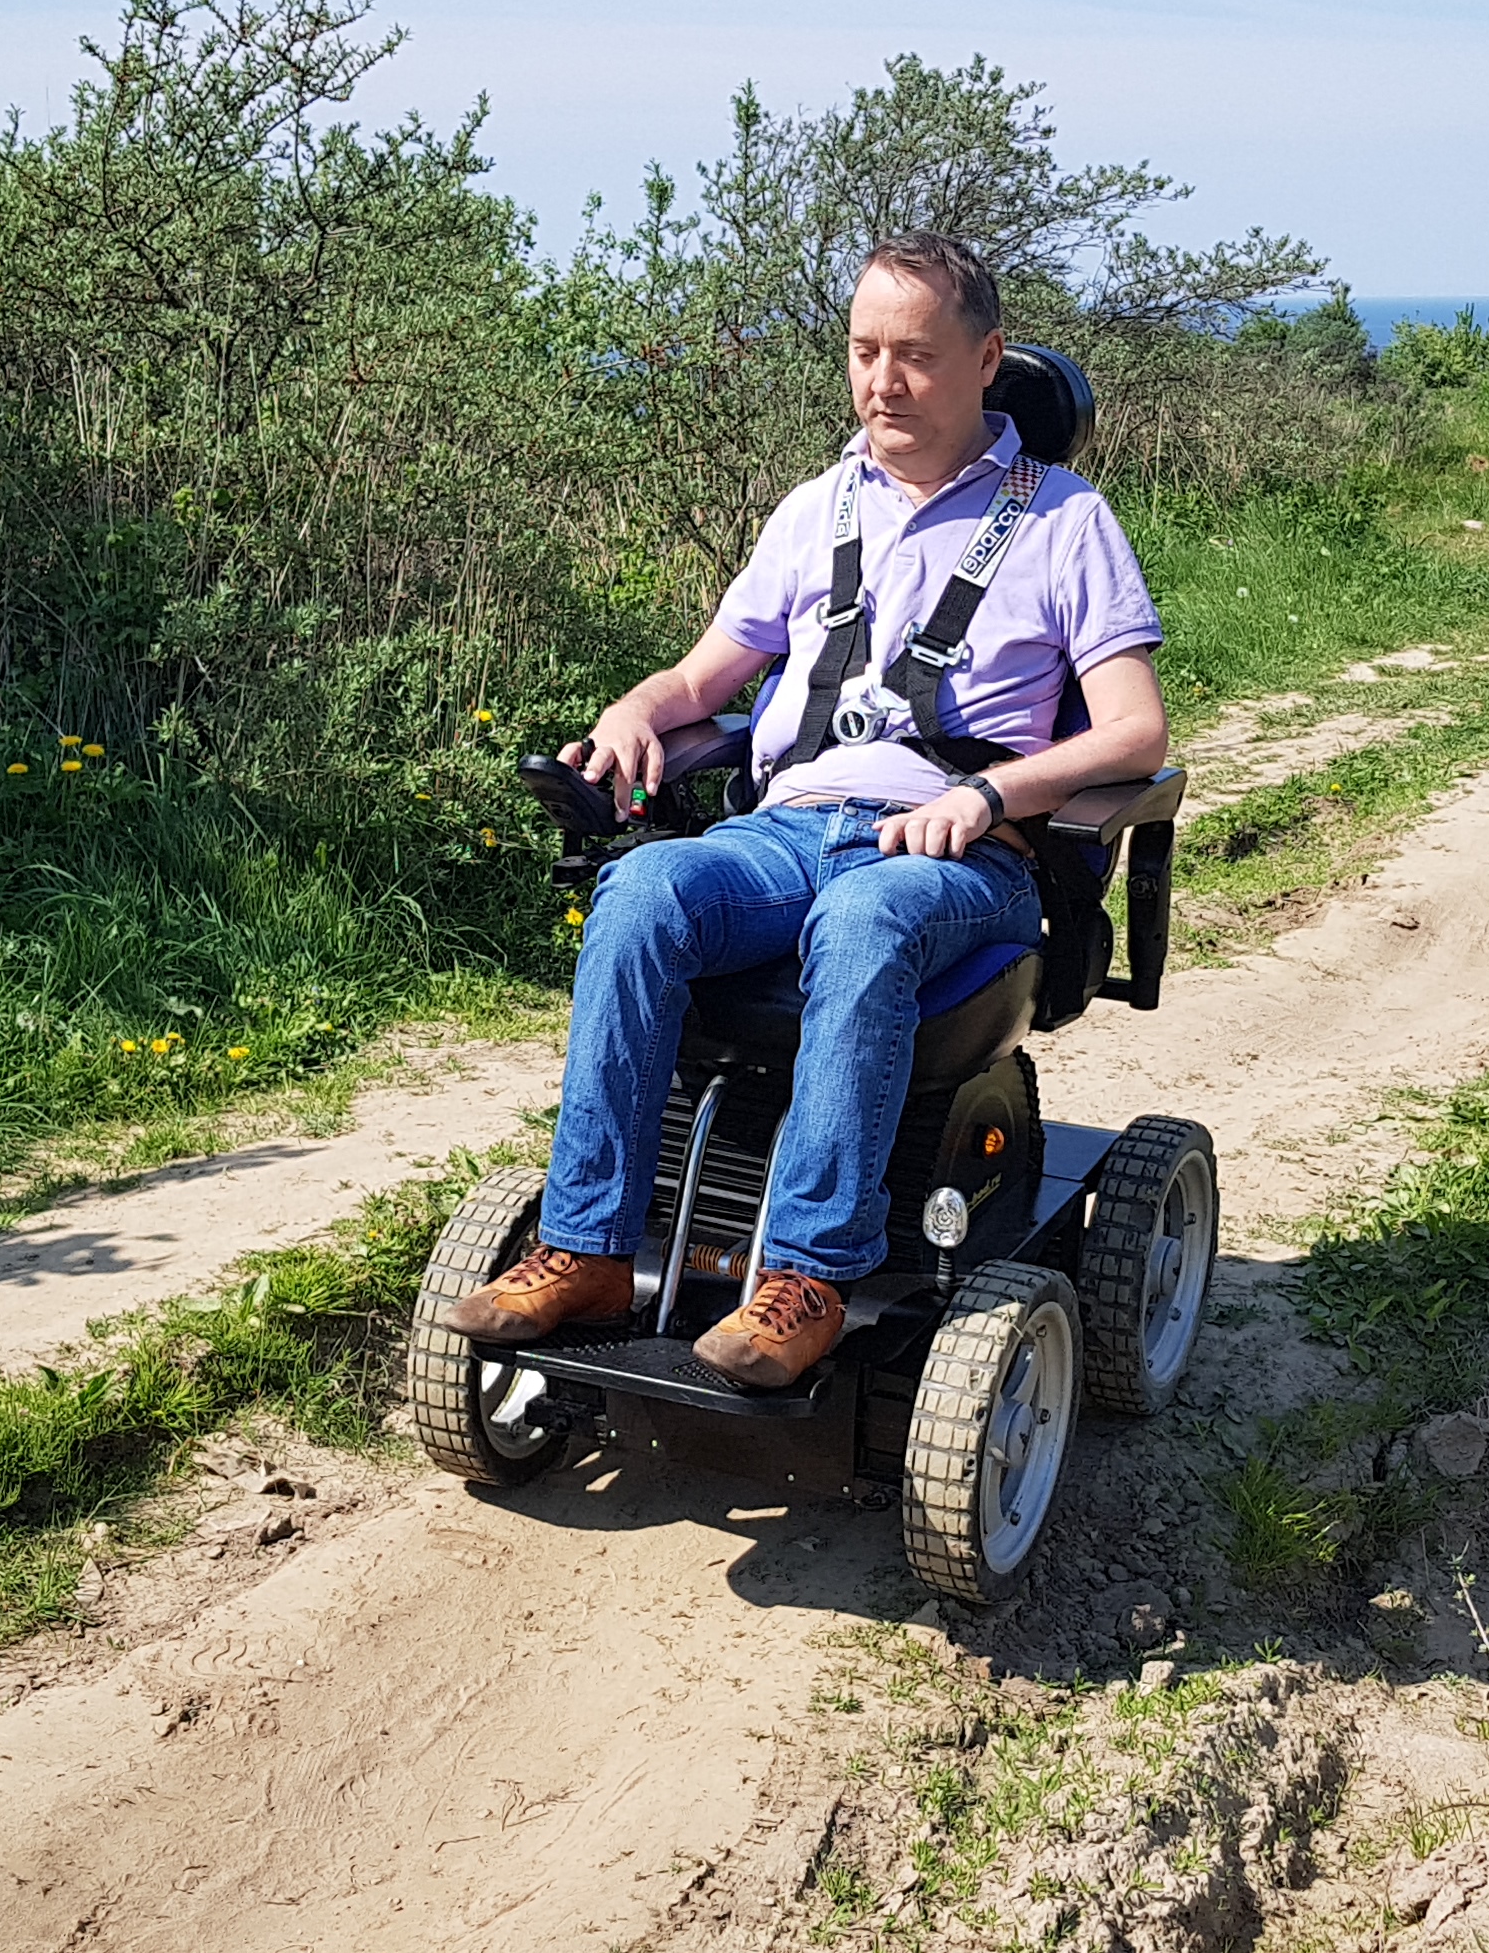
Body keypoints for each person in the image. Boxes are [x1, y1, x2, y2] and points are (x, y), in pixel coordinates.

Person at [444, 232, 1172, 1389]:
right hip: (790, 828)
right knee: (640, 888)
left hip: (960, 855)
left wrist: (989, 796)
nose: (884, 382)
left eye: (917, 357)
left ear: (988, 362)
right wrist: (636, 713)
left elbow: (1136, 731)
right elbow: (698, 684)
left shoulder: (1065, 521)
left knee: (869, 919)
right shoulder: (814, 510)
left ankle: (807, 1278)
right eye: (865, 351)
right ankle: (583, 1246)